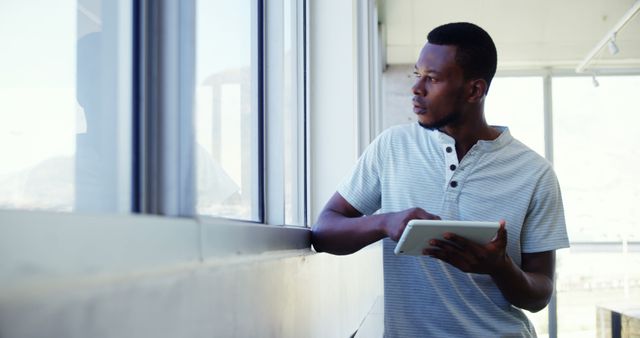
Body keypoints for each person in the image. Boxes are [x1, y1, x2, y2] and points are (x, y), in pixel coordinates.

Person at [311, 22, 569, 337]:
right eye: (417, 74)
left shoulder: (534, 173)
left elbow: (540, 294)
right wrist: (385, 223)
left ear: (474, 90)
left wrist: (500, 268)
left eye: (432, 78)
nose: (417, 88)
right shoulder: (392, 146)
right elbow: (324, 232)